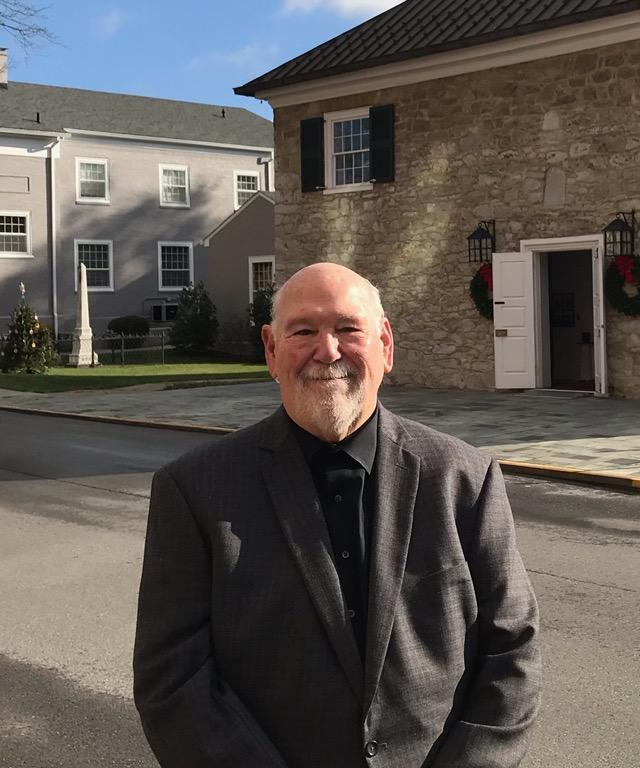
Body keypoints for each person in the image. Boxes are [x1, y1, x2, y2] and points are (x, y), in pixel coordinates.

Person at [133, 263, 541, 767]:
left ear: (385, 345)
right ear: (271, 350)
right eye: (303, 331)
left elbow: (512, 649)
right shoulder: (195, 489)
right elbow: (173, 679)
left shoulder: (464, 478)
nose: (327, 351)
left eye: (348, 329)